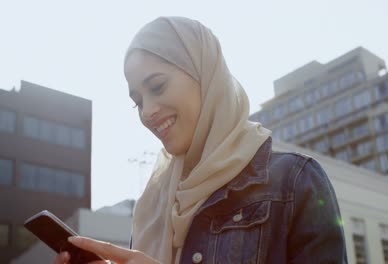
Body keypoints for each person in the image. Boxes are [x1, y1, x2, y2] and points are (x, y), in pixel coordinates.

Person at [53, 16, 347, 264]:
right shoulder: (153, 206)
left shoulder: (294, 182)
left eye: (157, 86)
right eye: (137, 101)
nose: (148, 112)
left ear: (204, 75)